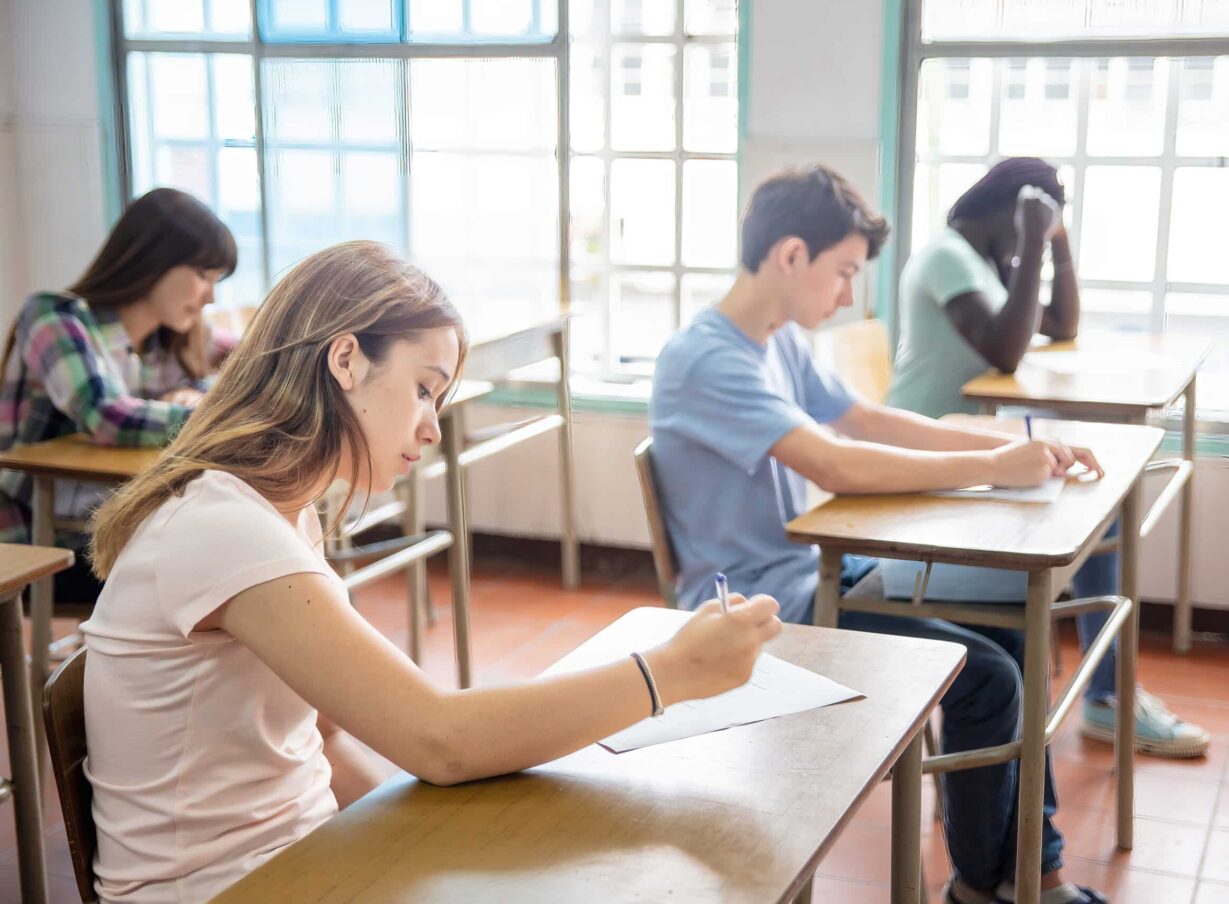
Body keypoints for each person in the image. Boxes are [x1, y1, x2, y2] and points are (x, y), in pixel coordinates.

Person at [81, 240, 781, 902]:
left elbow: (324, 739)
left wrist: (414, 843)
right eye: (424, 389)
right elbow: (441, 738)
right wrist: (669, 674)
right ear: (346, 359)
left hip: (293, 863)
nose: (432, 427)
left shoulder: (278, 510)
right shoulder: (225, 528)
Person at [650, 165, 1108, 904]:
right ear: (791, 255)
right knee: (987, 676)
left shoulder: (777, 340)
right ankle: (995, 884)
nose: (848, 297)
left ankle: (1025, 874)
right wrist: (995, 463)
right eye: (844, 273)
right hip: (756, 608)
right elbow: (833, 460)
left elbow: (863, 419)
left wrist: (1017, 457)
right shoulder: (707, 358)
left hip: (816, 572)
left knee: (1015, 628)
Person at [887, 158, 1209, 759]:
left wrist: (1055, 244)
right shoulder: (946, 256)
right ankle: (1108, 696)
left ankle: (1108, 695)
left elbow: (1060, 324)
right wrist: (1033, 237)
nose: (1030, 239)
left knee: (1097, 506)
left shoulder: (984, 262)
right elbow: (1007, 354)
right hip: (929, 459)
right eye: (1034, 221)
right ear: (1010, 208)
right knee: (1094, 515)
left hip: (975, 452)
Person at [0, 187, 240, 603]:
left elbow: (253, 355)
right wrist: (218, 416)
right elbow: (107, 415)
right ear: (153, 261)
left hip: (116, 526)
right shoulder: (53, 317)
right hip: (43, 542)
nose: (211, 297)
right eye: (203, 275)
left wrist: (193, 393)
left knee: (230, 555)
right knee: (220, 568)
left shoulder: (167, 341)